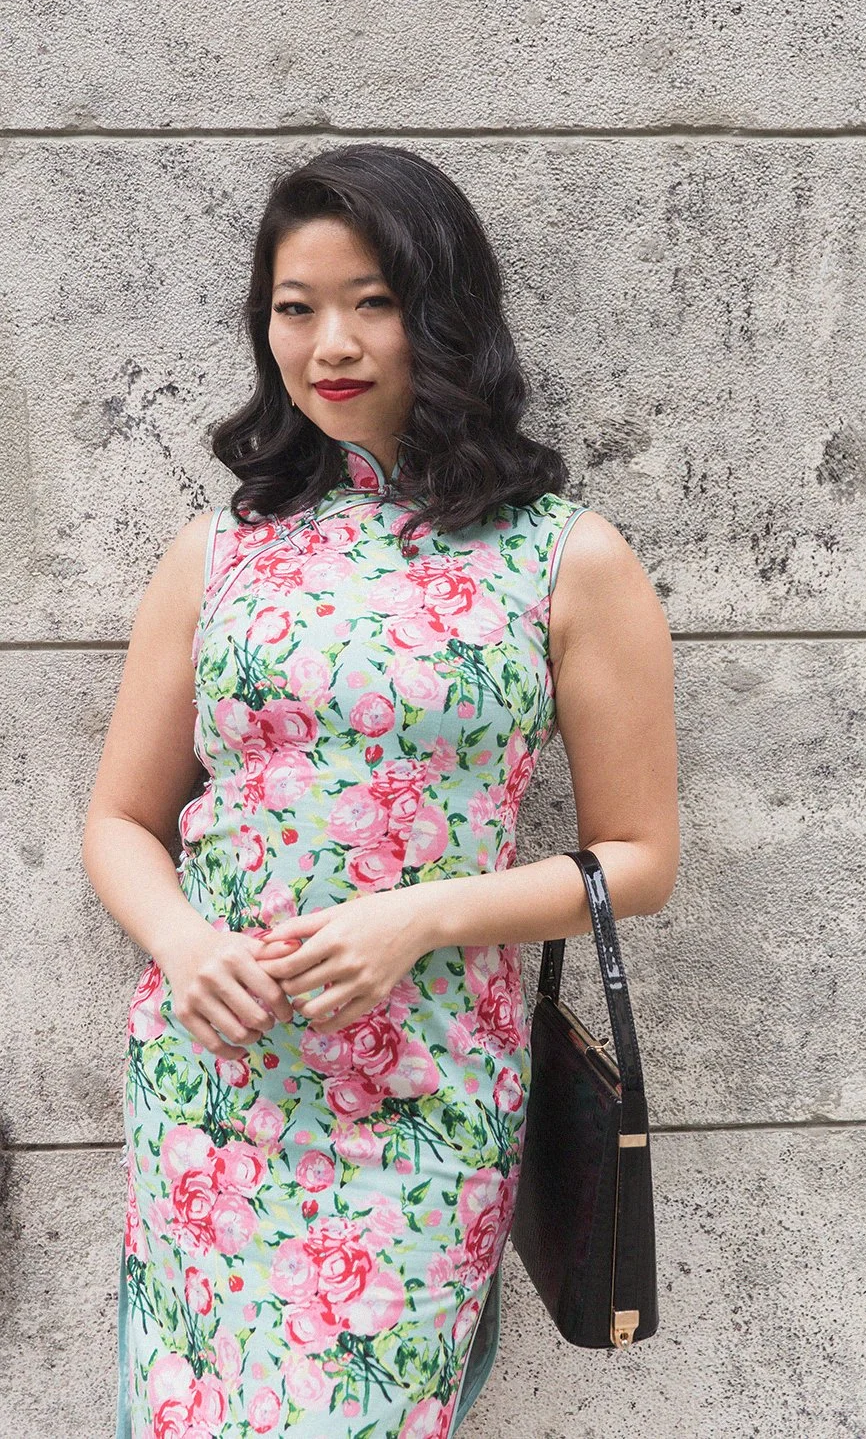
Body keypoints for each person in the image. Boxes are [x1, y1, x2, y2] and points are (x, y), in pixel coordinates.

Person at [82, 141, 680, 1438]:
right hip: (212, 1094)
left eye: (373, 302)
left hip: (424, 1095)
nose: (331, 344)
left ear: (445, 314)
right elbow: (120, 820)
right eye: (296, 308)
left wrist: (419, 918)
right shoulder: (218, 552)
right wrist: (182, 944)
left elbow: (638, 858)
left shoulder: (565, 560)